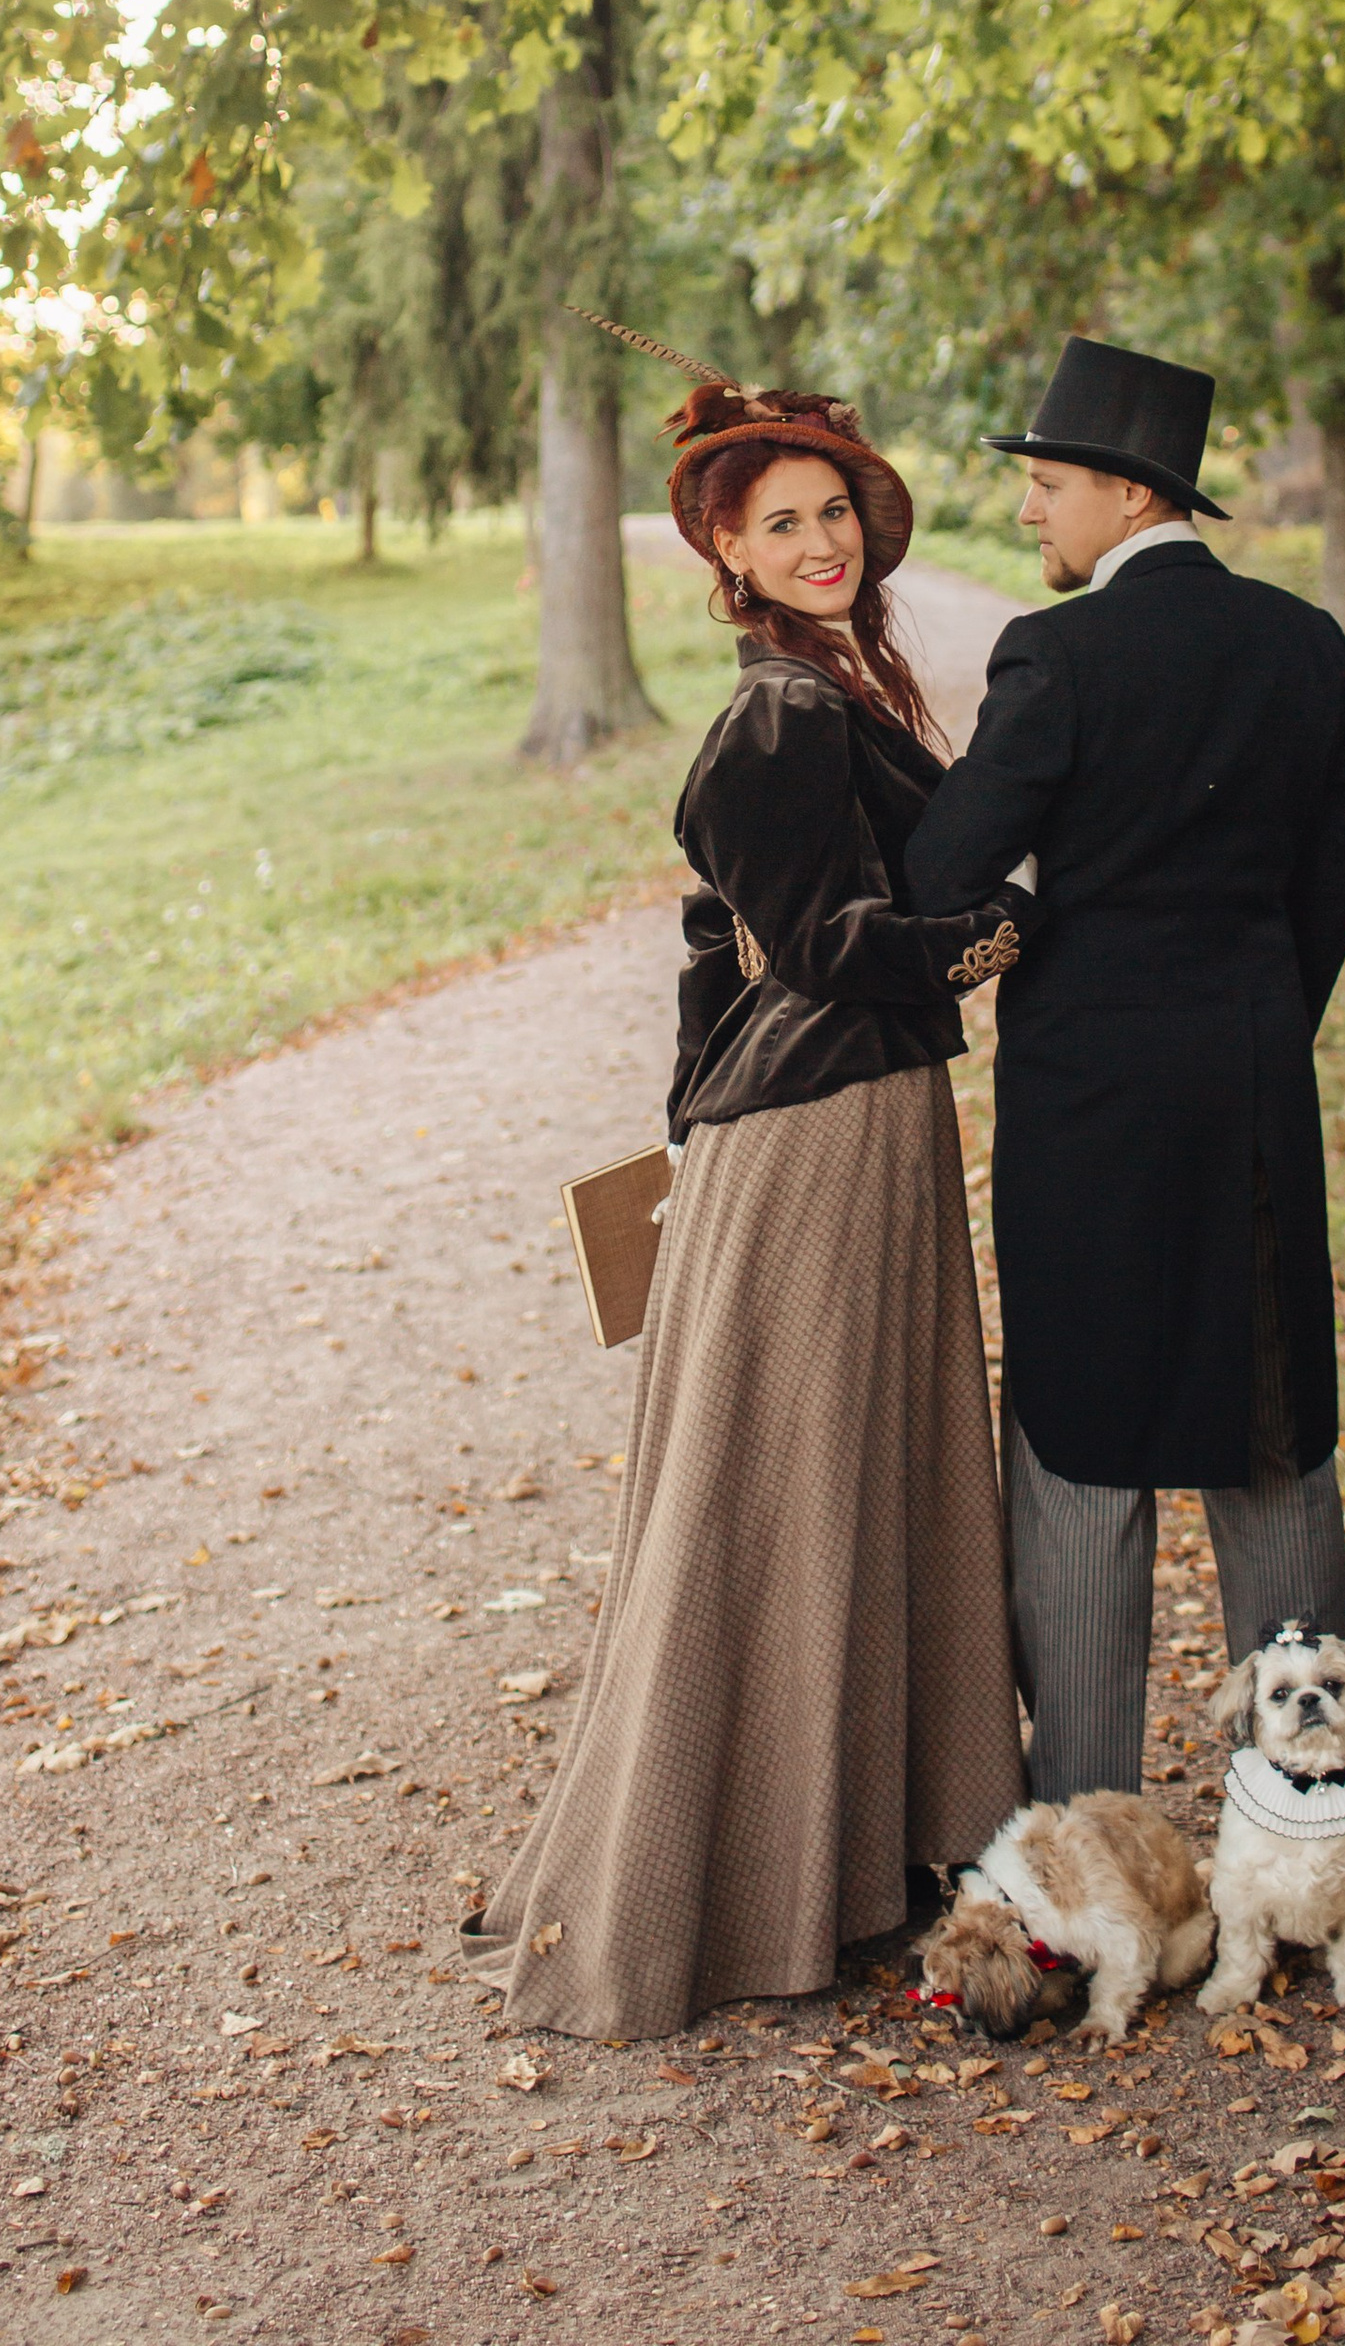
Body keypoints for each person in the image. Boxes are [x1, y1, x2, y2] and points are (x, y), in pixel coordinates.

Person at [463, 346, 1030, 2036]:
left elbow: (718, 949)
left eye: (833, 510)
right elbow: (833, 945)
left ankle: (846, 1850)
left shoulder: (830, 690)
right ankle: (738, 1874)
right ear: (727, 556)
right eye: (782, 522)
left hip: (824, 1119)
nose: (820, 539)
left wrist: (688, 1124)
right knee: (789, 1479)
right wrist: (1006, 931)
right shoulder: (784, 706)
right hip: (825, 1127)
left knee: (842, 1470)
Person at [907, 333, 1345, 1804]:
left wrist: (1033, 932)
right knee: (1272, 1432)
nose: (1029, 515)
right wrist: (1253, 1012)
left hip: (1091, 1110)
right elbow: (1334, 871)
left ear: (1123, 492)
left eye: (1047, 486)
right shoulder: (1305, 645)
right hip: (1249, 1088)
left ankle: (1084, 1837)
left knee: (1084, 1446)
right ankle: (1312, 1812)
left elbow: (940, 864)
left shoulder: (1058, 654)